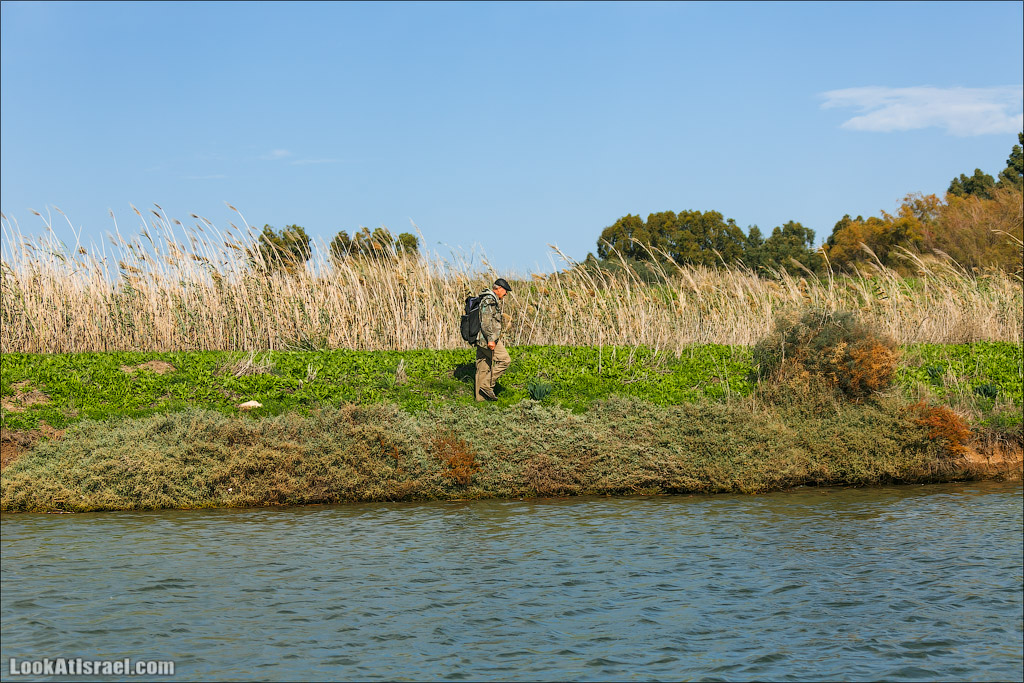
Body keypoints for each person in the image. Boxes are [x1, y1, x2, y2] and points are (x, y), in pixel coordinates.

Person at [475, 278, 512, 402]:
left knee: (483, 367)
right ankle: (487, 385)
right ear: (499, 289)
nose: (506, 294)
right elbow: (485, 322)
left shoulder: (486, 298)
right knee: (505, 360)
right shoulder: (489, 300)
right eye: (505, 291)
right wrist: (491, 339)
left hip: (480, 338)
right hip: (487, 339)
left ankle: (480, 401)